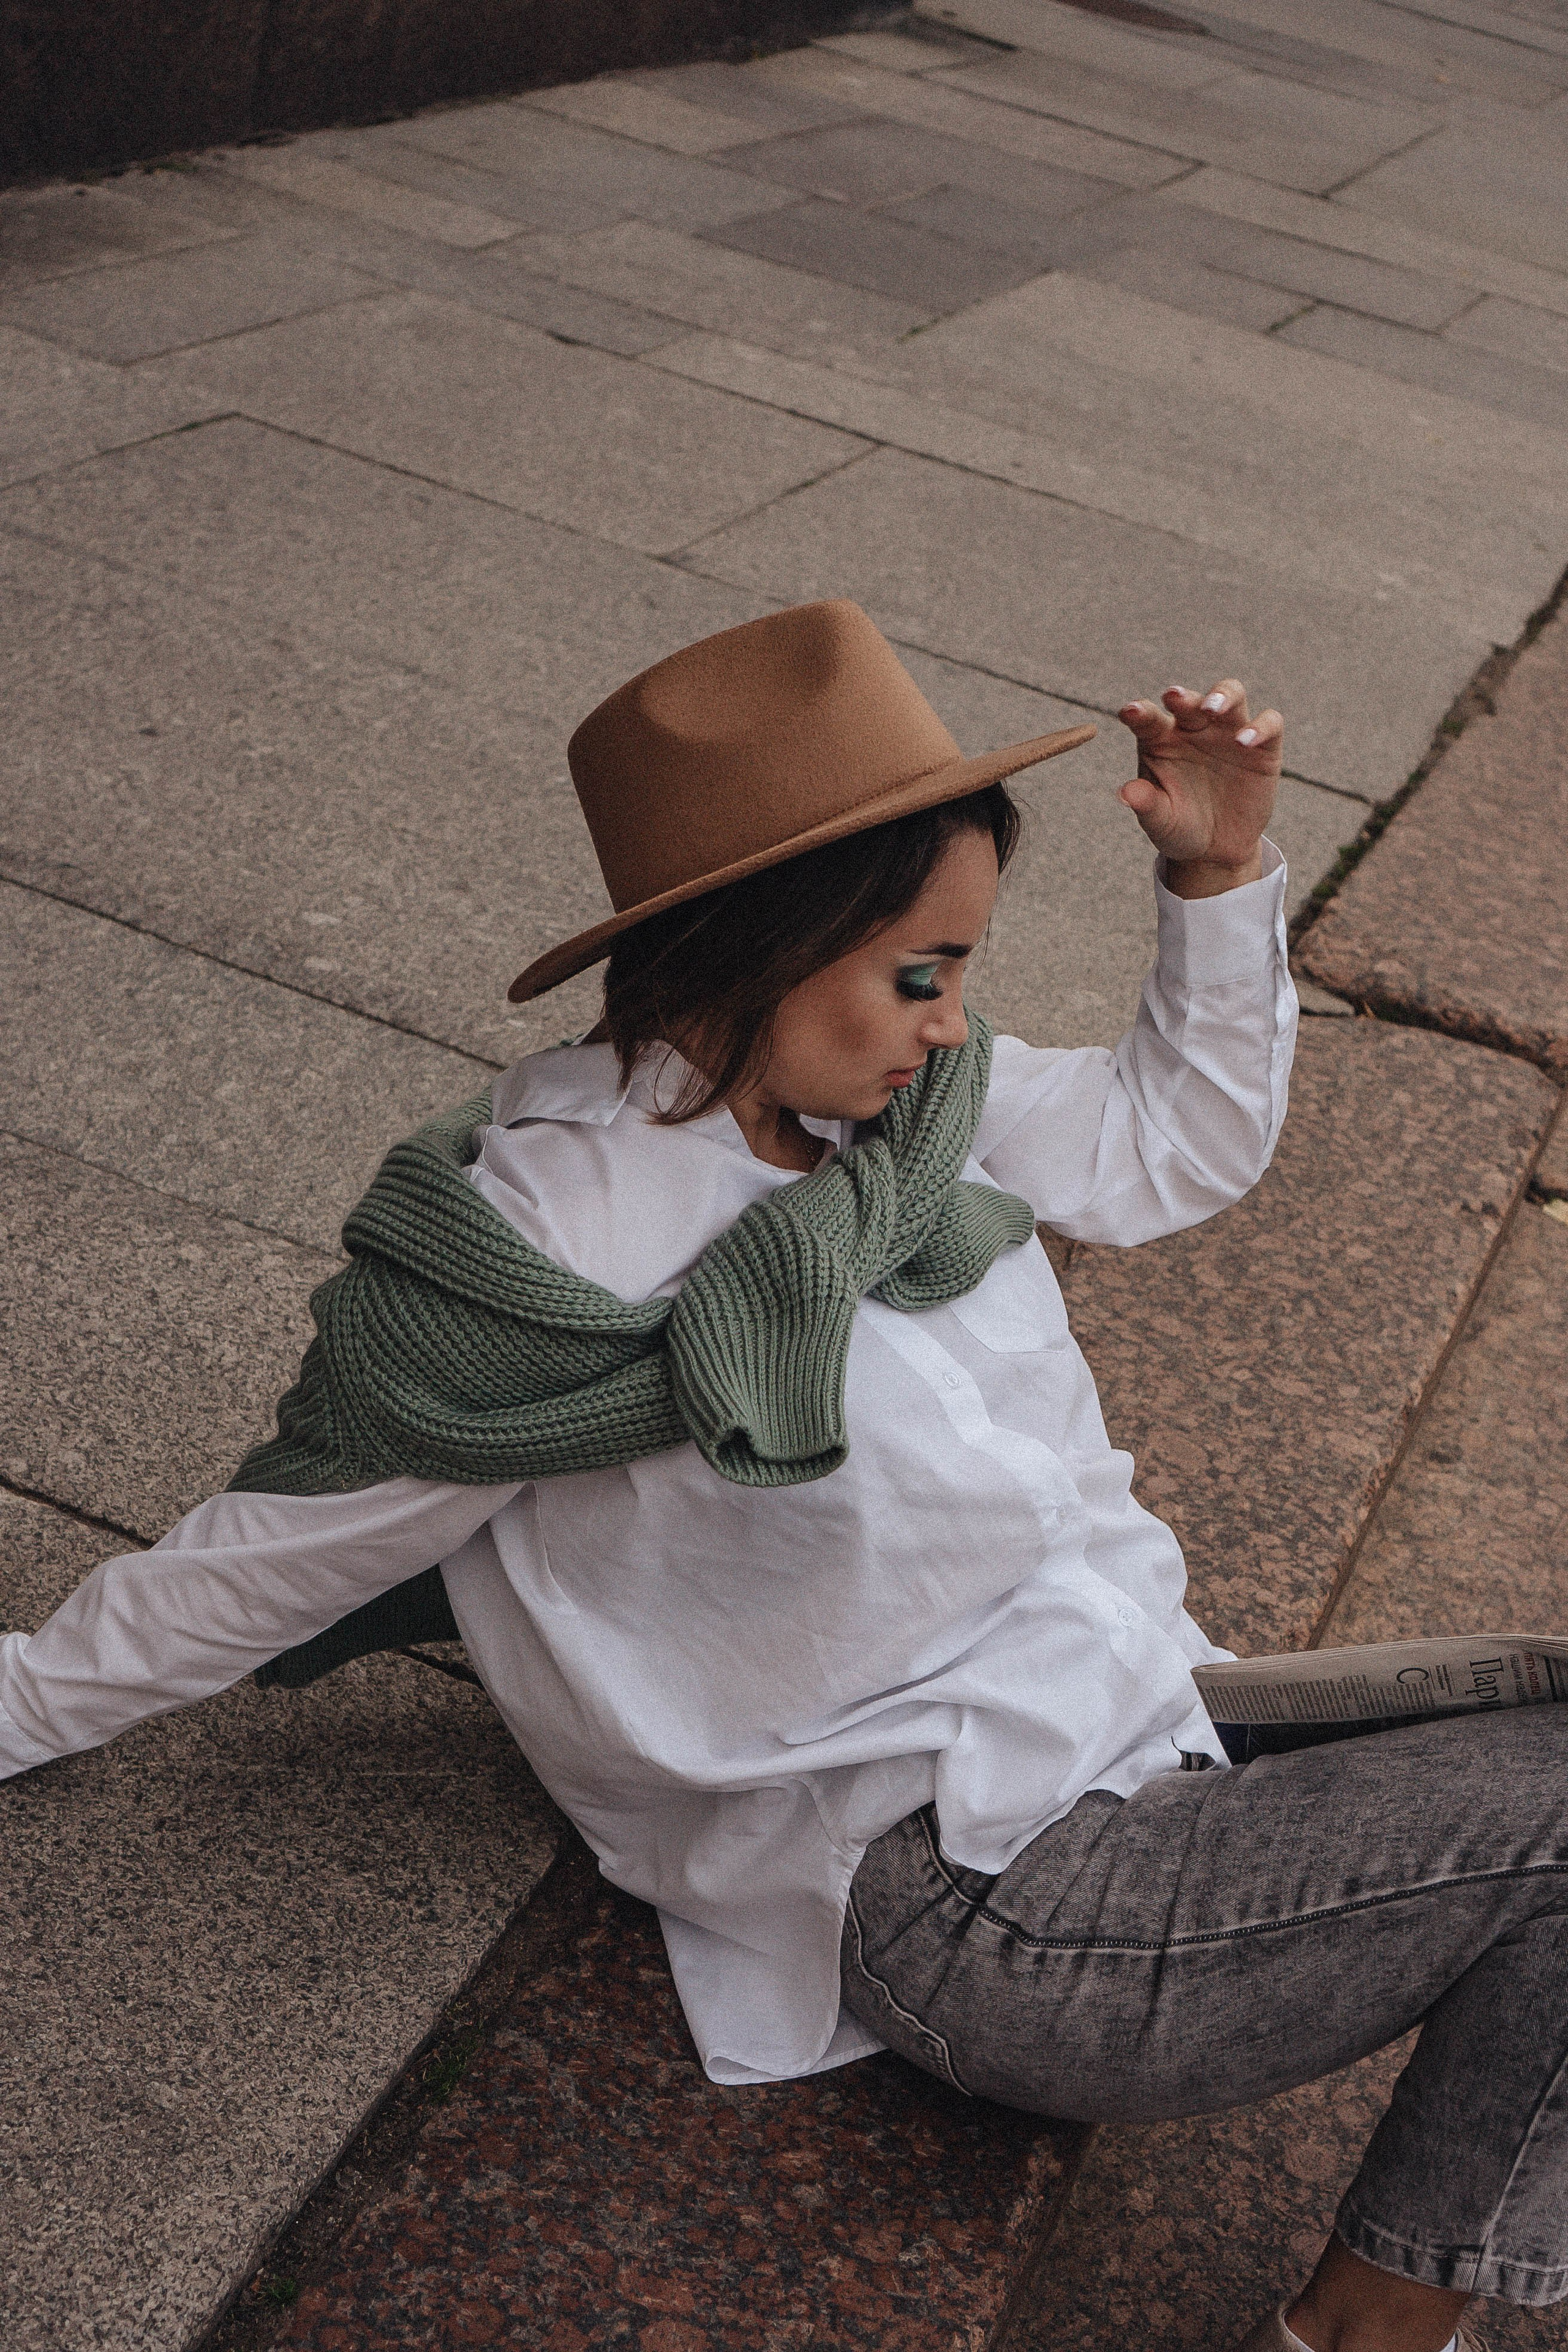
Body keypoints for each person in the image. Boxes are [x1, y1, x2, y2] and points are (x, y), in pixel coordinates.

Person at [1, 601, 1556, 2352]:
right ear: (758, 950)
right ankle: (1375, 2329)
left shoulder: (906, 1113)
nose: (953, 1020)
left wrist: (1215, 878)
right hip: (976, 1899)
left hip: (1124, 1724)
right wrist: (24, 1703)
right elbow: (279, 1549)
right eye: (920, 969)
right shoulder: (558, 1235)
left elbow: (1169, 1147)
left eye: (966, 965)